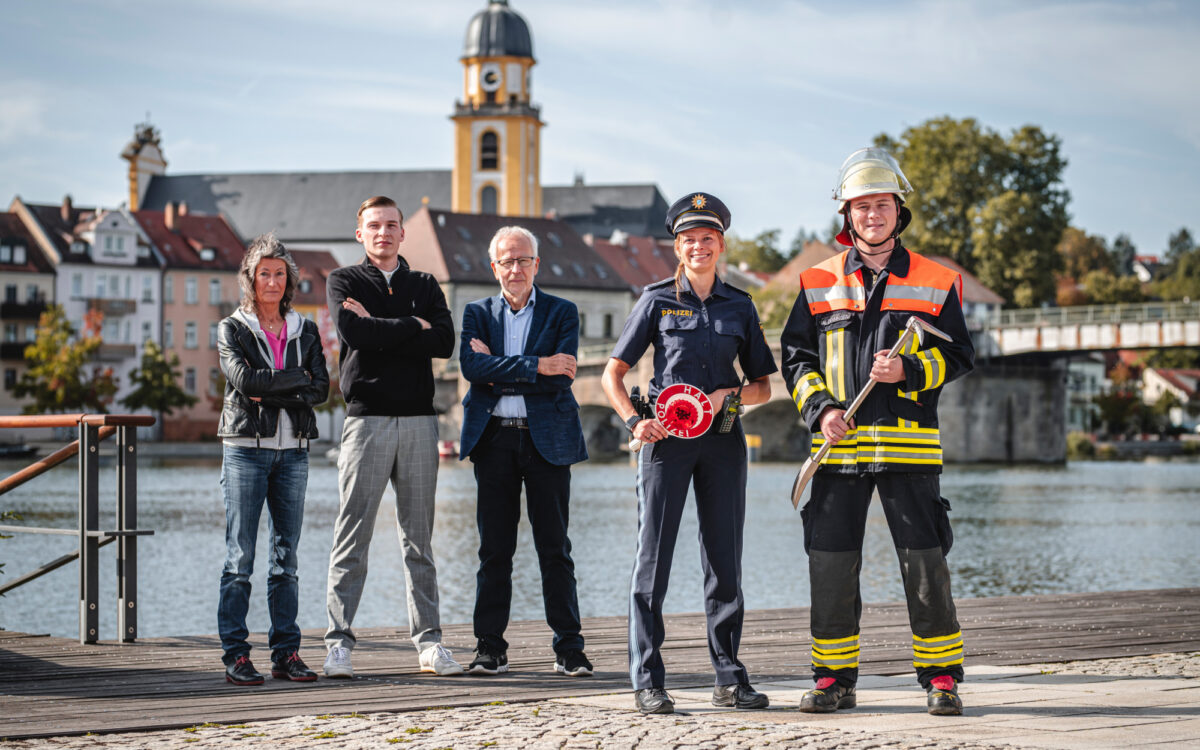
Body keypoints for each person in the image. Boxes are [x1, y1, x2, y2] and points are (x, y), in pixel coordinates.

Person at [780, 148, 975, 716]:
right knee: (831, 563)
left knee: (925, 563)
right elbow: (796, 357)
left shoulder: (938, 282)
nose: (872, 215)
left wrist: (909, 370)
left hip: (909, 450)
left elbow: (959, 358)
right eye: (861, 206)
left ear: (898, 211)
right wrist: (819, 408)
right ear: (847, 215)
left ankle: (941, 678)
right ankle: (832, 679)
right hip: (838, 451)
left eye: (882, 205)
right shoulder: (817, 282)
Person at [601, 193, 778, 715]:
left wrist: (732, 395)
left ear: (721, 245)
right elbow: (612, 374)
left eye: (707, 239)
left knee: (724, 560)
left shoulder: (740, 306)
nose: (698, 247)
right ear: (676, 248)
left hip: (723, 441)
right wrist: (636, 421)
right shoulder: (655, 300)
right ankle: (647, 679)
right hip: (665, 444)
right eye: (688, 240)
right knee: (652, 561)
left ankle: (728, 676)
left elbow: (765, 386)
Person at [323, 196, 463, 678]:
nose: (383, 233)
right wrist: (411, 325)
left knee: (418, 541)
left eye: (391, 225)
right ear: (360, 233)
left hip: (420, 421)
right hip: (366, 421)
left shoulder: (424, 284)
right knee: (352, 536)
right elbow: (355, 335)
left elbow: (443, 342)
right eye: (374, 226)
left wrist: (383, 327)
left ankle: (429, 642)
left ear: (403, 233)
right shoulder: (342, 280)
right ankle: (339, 643)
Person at [457, 226, 593, 678]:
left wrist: (500, 373)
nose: (515, 269)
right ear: (493, 267)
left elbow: (564, 375)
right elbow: (473, 368)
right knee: (494, 550)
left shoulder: (562, 312)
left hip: (546, 442)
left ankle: (569, 649)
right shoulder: (476, 313)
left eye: (524, 260)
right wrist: (536, 364)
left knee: (555, 548)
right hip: (494, 439)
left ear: (537, 264)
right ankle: (489, 648)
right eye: (507, 261)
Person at [216, 232, 330, 686]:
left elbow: (320, 388)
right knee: (240, 556)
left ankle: (286, 652)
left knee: (287, 557)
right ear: (251, 278)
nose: (272, 281)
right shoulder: (232, 328)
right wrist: (295, 379)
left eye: (280, 274)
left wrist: (275, 384)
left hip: (294, 453)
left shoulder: (306, 329)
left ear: (290, 281)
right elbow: (244, 381)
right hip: (245, 450)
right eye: (264, 273)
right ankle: (236, 655)